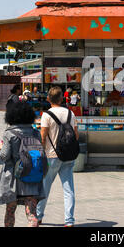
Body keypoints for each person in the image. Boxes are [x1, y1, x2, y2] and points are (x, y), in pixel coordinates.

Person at [0, 101, 46, 227]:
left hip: (12, 179)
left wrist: (0, 148)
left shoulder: (9, 133)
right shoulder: (35, 132)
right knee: (32, 214)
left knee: (10, 211)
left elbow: (4, 156)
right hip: (32, 176)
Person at [36, 86, 79, 227]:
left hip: (51, 156)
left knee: (45, 188)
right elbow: (76, 136)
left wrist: (40, 154)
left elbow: (42, 137)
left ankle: (38, 216)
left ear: (48, 99)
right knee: (69, 190)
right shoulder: (70, 114)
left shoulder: (46, 115)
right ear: (62, 98)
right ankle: (69, 221)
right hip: (68, 156)